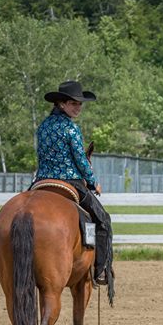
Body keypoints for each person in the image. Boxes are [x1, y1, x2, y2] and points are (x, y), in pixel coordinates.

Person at [34, 80, 114, 292]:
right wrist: (92, 180)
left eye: (80, 104)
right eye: (73, 103)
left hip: (41, 180)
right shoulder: (71, 129)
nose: (78, 107)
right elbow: (80, 158)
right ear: (61, 104)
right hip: (70, 181)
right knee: (103, 220)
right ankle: (100, 269)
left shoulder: (43, 126)